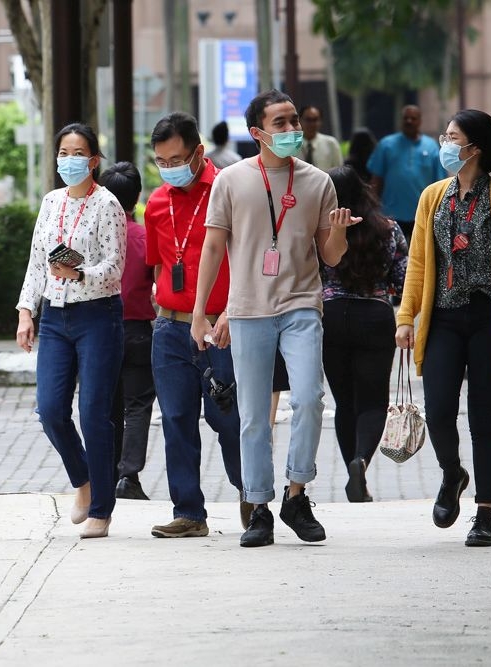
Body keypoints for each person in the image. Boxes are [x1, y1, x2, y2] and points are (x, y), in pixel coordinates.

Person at [191, 89, 352, 548]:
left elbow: (331, 257)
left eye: (294, 121)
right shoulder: (231, 181)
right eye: (280, 123)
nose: (291, 130)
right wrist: (201, 312)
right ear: (257, 132)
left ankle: (296, 494)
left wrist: (338, 233)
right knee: (253, 415)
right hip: (248, 310)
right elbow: (214, 247)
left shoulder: (319, 182)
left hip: (302, 303)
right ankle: (258, 507)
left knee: (308, 398)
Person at [394, 109, 491, 548]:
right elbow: (418, 262)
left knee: (482, 419)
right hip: (443, 318)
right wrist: (406, 316)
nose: (445, 143)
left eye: (453, 137)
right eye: (445, 136)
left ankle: (486, 513)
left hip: (488, 318)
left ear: (475, 148)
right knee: (437, 411)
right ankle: (453, 473)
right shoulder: (433, 197)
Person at [15, 123, 126, 539]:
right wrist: (27, 311)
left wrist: (78, 273)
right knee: (50, 410)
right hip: (56, 320)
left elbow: (114, 269)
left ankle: (102, 508)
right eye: (63, 152)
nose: (69, 160)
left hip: (97, 316)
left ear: (94, 161)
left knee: (94, 414)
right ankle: (83, 481)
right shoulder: (50, 201)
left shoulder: (108, 205)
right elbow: (36, 262)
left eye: (78, 153)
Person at [144, 111, 247, 538]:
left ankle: (252, 496)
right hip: (170, 329)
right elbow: (157, 268)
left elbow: (248, 258)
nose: (169, 169)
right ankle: (189, 512)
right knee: (176, 418)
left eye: (176, 159)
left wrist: (229, 312)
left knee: (228, 419)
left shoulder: (230, 190)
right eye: (161, 162)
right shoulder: (156, 202)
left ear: (199, 152)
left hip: (221, 328)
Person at [323, 164, 408, 502]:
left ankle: (351, 470)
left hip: (330, 317)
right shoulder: (388, 230)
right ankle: (361, 460)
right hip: (375, 316)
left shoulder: (321, 231)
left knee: (345, 403)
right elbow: (403, 281)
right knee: (373, 402)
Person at [101, 161, 157, 501]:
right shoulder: (145, 236)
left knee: (106, 406)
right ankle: (129, 475)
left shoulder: (94, 237)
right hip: (138, 330)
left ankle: (106, 474)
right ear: (136, 198)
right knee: (137, 405)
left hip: (100, 331)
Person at [367, 104, 447, 241]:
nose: (409, 121)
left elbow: (440, 183)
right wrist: (372, 209)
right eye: (406, 118)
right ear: (401, 120)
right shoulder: (386, 145)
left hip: (423, 213)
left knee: (420, 257)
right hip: (391, 214)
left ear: (420, 121)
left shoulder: (432, 146)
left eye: (413, 118)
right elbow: (376, 179)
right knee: (393, 256)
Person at [299, 105, 344, 172]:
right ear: (299, 120)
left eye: (315, 120)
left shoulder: (331, 143)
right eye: (308, 120)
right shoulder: (293, 145)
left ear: (321, 121)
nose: (312, 124)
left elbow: (339, 171)